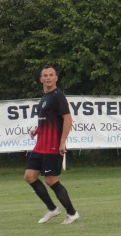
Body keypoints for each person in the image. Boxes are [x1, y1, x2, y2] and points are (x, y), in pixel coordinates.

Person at [24, 65, 80, 225]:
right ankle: (52, 209)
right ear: (41, 79)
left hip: (52, 146)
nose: (48, 78)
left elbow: (67, 119)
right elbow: (48, 120)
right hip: (40, 145)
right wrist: (37, 129)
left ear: (56, 78)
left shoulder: (58, 95)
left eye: (51, 75)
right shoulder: (44, 98)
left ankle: (72, 213)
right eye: (45, 75)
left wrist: (62, 141)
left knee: (50, 180)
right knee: (29, 176)